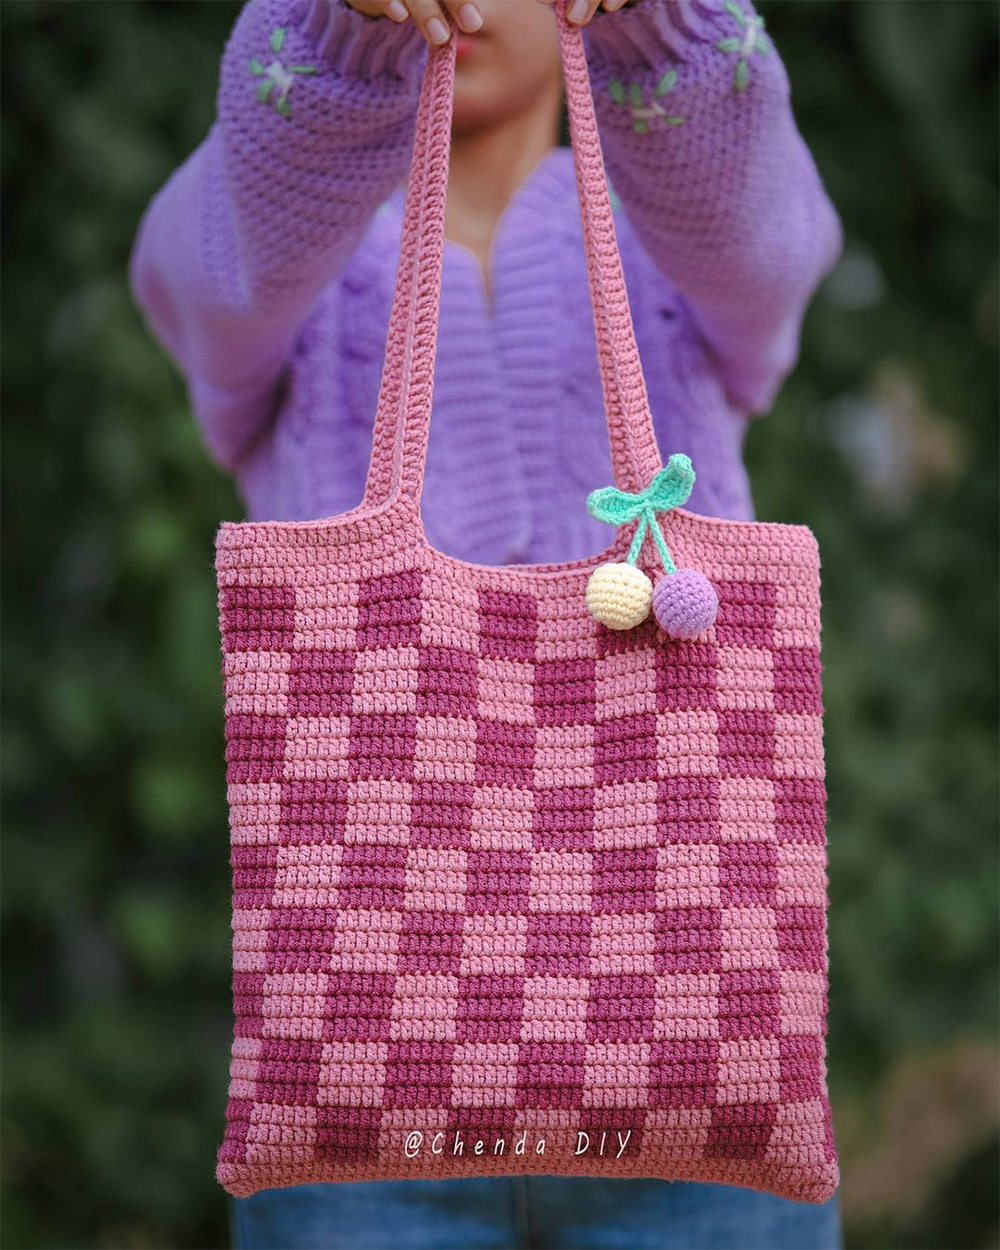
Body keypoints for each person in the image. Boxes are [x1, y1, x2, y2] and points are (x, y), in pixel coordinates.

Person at [130, 0, 844, 1245]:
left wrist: (658, 28)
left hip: (694, 1076)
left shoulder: (668, 238)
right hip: (364, 1114)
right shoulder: (291, 259)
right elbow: (213, 267)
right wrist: (338, 32)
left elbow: (769, 244)